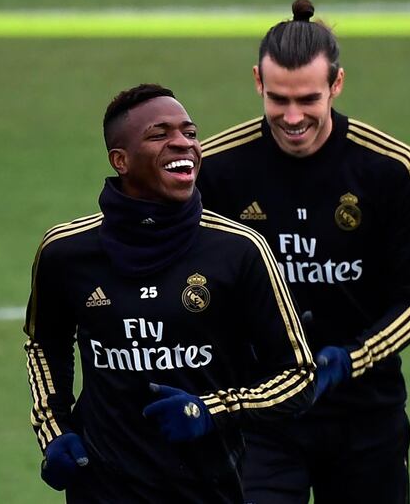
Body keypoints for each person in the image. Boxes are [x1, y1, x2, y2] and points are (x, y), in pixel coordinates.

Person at [22, 83, 315, 503]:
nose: (183, 143)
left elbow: (299, 377)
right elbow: (43, 343)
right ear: (120, 160)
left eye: (190, 133)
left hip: (208, 490)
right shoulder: (65, 253)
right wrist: (55, 432)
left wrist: (212, 410)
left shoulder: (240, 250)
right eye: (159, 134)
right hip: (103, 489)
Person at [197, 0, 410, 504]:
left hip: (365, 416)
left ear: (337, 84)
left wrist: (352, 358)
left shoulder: (393, 170)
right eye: (278, 99)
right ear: (258, 83)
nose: (292, 116)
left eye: (308, 99)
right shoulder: (216, 169)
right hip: (259, 416)